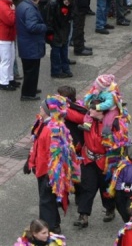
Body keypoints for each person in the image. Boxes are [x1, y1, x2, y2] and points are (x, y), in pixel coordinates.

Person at [24, 95, 79, 234]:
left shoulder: (53, 130)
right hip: (42, 169)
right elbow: (38, 145)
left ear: (49, 111)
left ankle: (47, 230)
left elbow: (56, 156)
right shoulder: (45, 123)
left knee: (46, 201)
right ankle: (54, 224)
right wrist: (30, 161)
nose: (40, 109)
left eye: (42, 107)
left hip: (48, 172)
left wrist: (52, 177)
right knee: (48, 200)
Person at [73, 98, 130, 228]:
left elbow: (120, 142)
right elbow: (70, 113)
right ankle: (83, 216)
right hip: (88, 158)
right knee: (87, 187)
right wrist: (58, 102)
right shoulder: (87, 119)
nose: (90, 110)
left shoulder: (112, 124)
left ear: (101, 111)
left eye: (93, 108)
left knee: (106, 187)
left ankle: (110, 209)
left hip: (106, 161)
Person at [16, 0, 47, 101]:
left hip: (26, 44)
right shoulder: (30, 9)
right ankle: (28, 94)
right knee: (31, 70)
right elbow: (32, 27)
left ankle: (31, 88)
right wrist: (44, 27)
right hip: (31, 45)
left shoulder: (22, 5)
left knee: (29, 69)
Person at [45, 0, 75, 78]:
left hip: (64, 30)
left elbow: (72, 14)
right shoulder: (53, 3)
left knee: (64, 51)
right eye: (67, 2)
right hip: (55, 30)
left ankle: (65, 69)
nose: (68, 4)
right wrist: (50, 33)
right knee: (56, 52)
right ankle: (56, 71)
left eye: (69, 2)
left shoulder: (70, 4)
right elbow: (49, 19)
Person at [0, 0, 18, 91]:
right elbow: (10, 21)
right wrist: (14, 11)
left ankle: (10, 79)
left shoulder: (7, 4)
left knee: (11, 59)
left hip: (8, 36)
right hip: (4, 37)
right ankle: (3, 82)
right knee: (6, 60)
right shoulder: (3, 6)